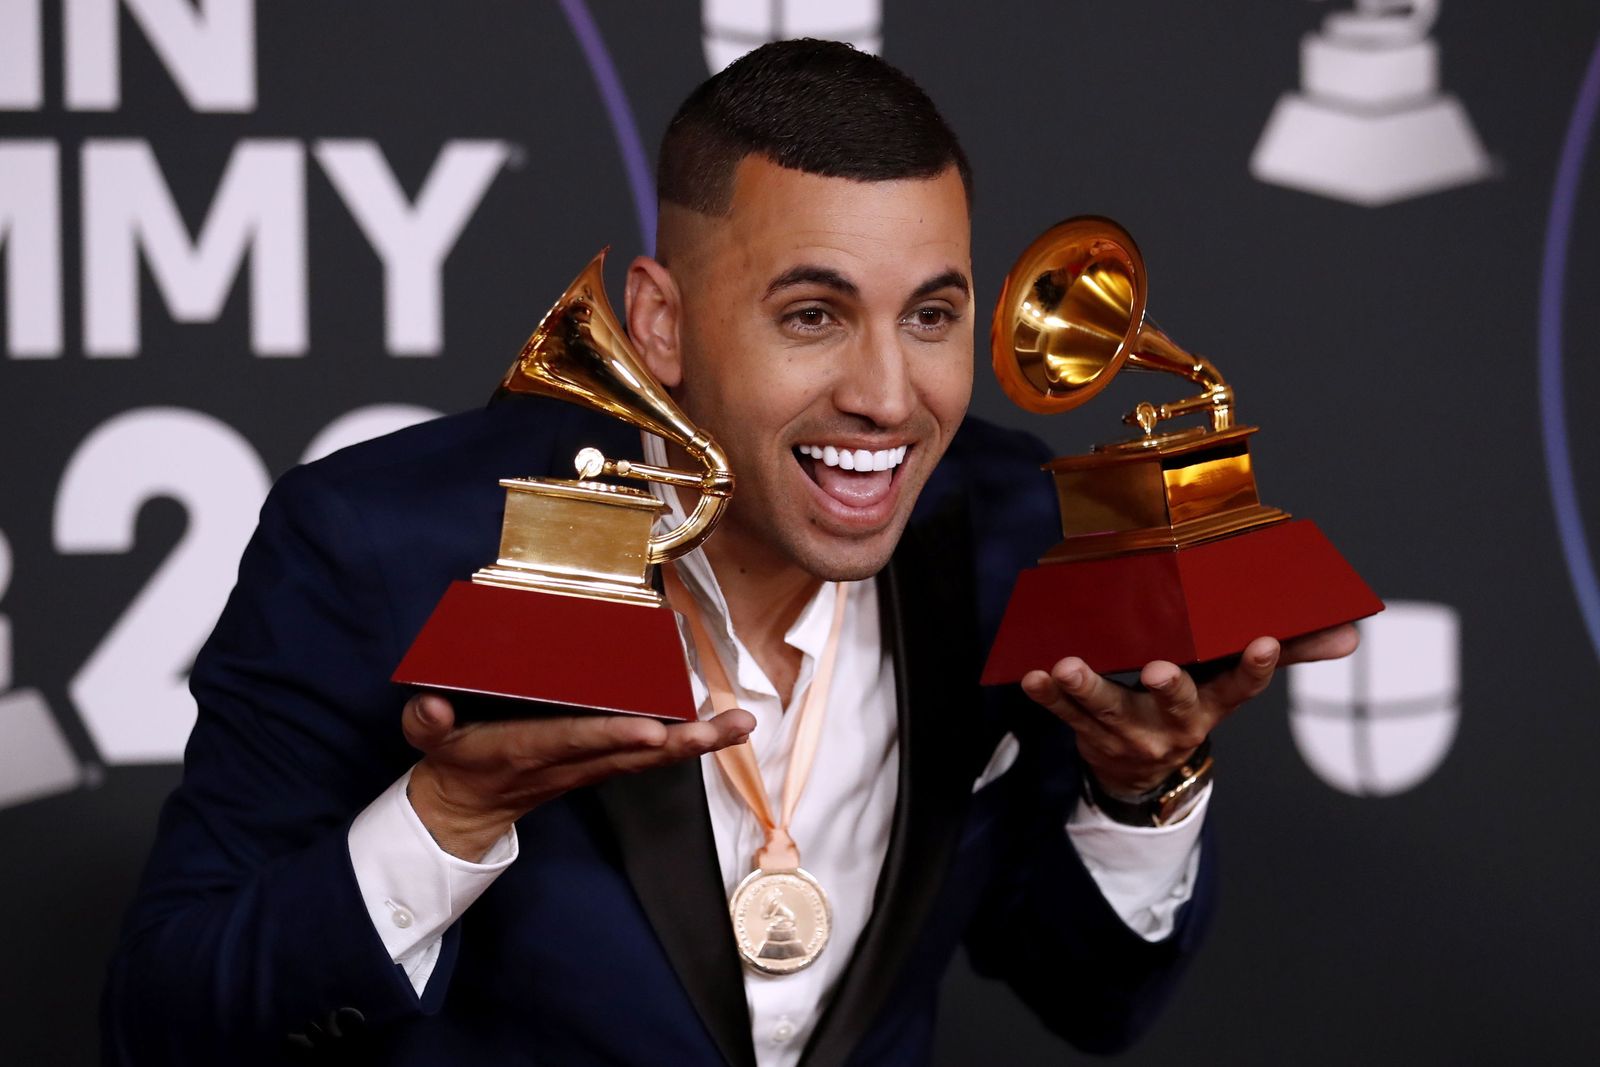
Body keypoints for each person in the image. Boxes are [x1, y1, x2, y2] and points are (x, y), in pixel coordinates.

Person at [103, 39, 1354, 1066]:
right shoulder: (375, 544)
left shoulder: (1011, 528)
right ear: (658, 318)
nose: (887, 395)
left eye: (931, 314)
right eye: (811, 314)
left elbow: (1092, 1001)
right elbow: (164, 1017)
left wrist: (1140, 790)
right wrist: (444, 819)